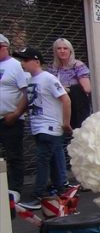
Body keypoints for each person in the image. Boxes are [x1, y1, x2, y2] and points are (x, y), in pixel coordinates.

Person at [11, 46, 71, 210]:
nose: (22, 64)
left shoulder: (48, 78)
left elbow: (65, 99)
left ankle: (38, 195)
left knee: (42, 161)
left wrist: (66, 123)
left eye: (25, 60)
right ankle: (61, 192)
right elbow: (27, 99)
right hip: (39, 128)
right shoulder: (32, 80)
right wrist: (16, 113)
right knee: (52, 162)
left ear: (36, 61)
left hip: (49, 128)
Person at [0, 34, 28, 201]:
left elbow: (26, 92)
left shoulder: (16, 66)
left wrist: (17, 113)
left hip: (11, 119)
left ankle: (15, 189)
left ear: (6, 47)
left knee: (14, 155)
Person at [48, 38, 91, 129]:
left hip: (76, 105)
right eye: (59, 48)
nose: (62, 51)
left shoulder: (77, 65)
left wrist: (68, 88)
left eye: (65, 48)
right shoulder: (52, 67)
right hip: (58, 104)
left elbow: (87, 88)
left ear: (70, 50)